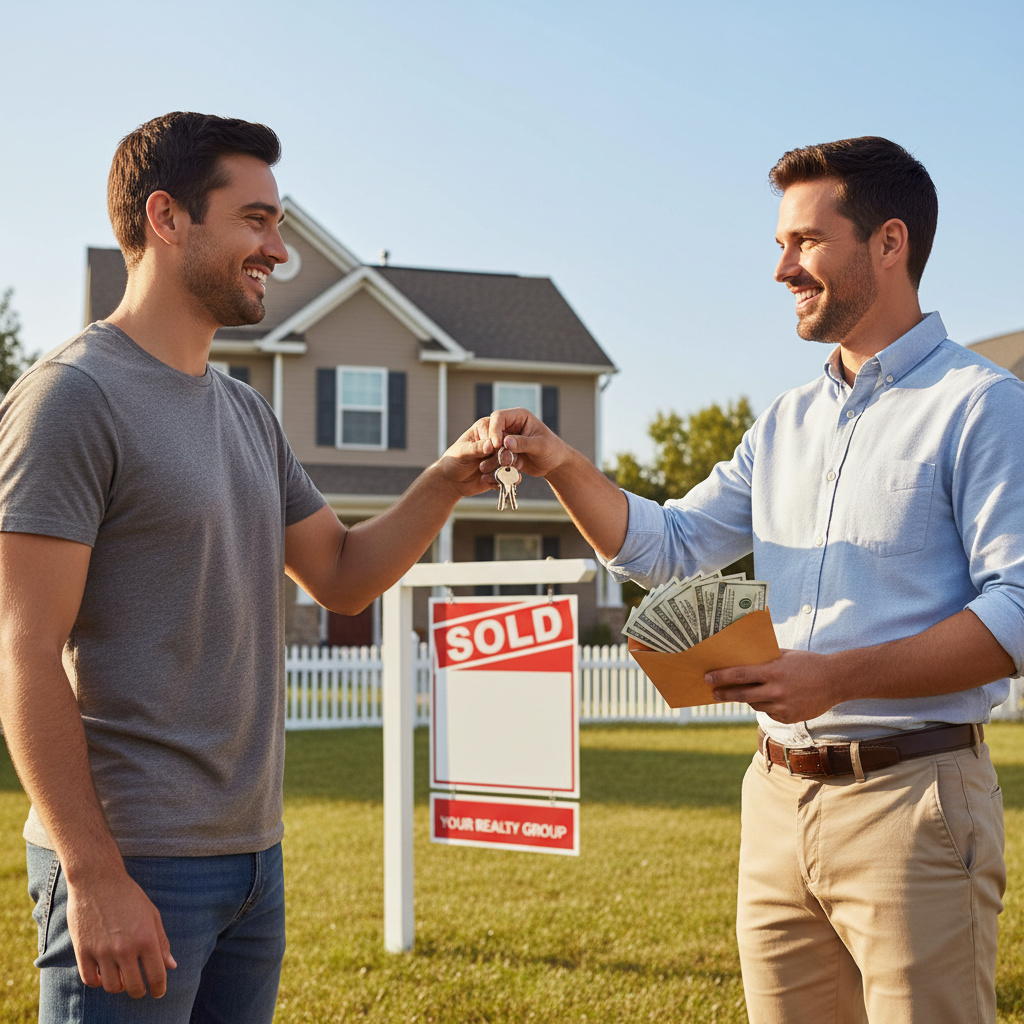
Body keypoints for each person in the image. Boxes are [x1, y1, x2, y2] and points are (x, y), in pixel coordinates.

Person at [481, 137, 1023, 1023]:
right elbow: (669, 545)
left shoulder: (983, 405)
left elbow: (1018, 610)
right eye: (781, 244)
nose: (782, 268)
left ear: (890, 243)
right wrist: (560, 463)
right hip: (775, 801)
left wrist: (835, 677)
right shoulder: (784, 423)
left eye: (806, 241)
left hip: (913, 804)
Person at [0, 111, 499, 1022]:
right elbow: (24, 653)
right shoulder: (71, 398)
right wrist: (94, 874)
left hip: (252, 864)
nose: (279, 249)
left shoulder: (245, 412)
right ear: (167, 217)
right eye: (257, 221)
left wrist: (447, 478)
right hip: (133, 861)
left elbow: (341, 574)